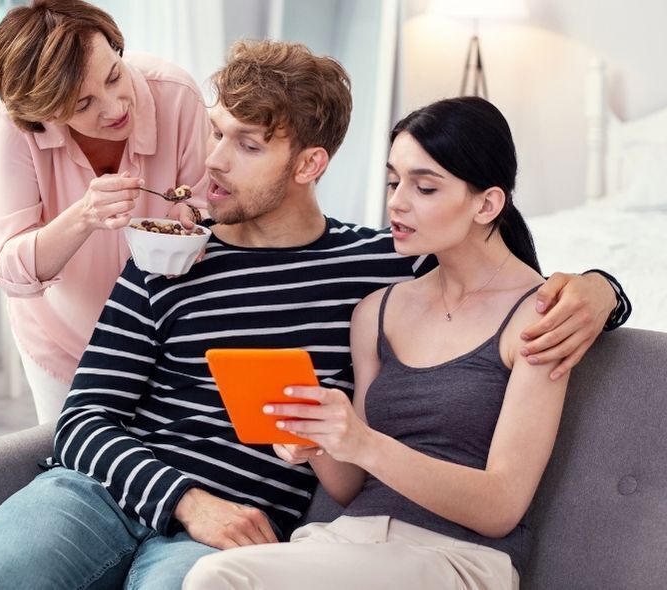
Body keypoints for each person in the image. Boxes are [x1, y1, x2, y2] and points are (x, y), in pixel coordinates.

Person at [0, 40, 629, 590]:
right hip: (103, 494)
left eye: (247, 145)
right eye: (217, 134)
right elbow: (83, 418)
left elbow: (499, 279)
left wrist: (601, 291)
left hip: (246, 531)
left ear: (309, 164)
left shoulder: (383, 268)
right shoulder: (168, 252)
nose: (213, 163)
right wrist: (187, 501)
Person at [182, 96, 565, 590]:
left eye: (424, 187)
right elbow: (349, 487)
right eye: (393, 181)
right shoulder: (378, 311)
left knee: (219, 578)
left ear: (487, 203)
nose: (397, 202)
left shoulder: (541, 316)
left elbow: (501, 507)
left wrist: (365, 442)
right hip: (350, 542)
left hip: (457, 560)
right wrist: (318, 441)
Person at [0, 0, 209, 423]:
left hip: (164, 342)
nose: (114, 108)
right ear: (44, 112)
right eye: (82, 104)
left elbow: (202, 214)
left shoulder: (177, 96)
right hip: (61, 340)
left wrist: (194, 228)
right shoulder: (20, 124)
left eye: (114, 76)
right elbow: (9, 269)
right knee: (73, 465)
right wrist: (84, 215)